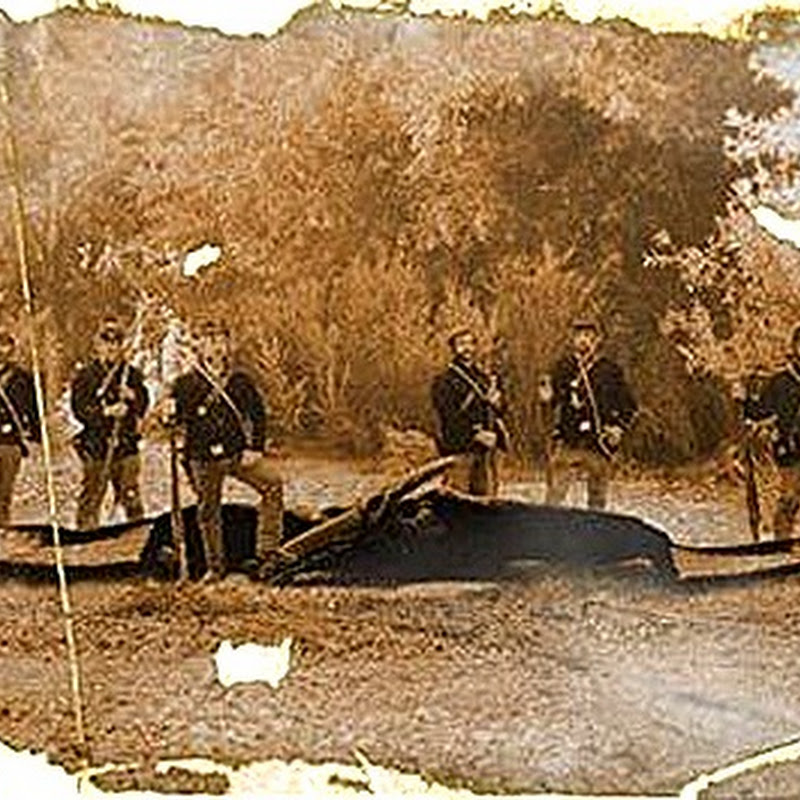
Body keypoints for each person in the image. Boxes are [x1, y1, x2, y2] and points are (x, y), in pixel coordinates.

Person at [170, 319, 283, 581]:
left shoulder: (239, 380)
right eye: (209, 340)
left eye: (220, 339)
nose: (216, 346)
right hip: (202, 458)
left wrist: (255, 448)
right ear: (199, 345)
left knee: (273, 484)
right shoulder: (185, 383)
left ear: (228, 344)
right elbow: (176, 420)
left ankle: (268, 552)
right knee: (209, 511)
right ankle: (215, 568)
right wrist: (168, 416)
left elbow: (257, 414)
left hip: (236, 454)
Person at [542, 316, 637, 510]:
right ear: (572, 339)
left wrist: (618, 428)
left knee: (597, 500)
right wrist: (546, 399)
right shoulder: (562, 367)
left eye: (588, 335)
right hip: (568, 440)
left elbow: (629, 405)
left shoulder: (610, 370)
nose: (583, 340)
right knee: (554, 497)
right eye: (579, 335)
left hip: (598, 443)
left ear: (597, 339)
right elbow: (552, 403)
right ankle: (550, 526)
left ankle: (595, 528)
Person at [71, 316, 149, 529]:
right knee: (91, 499)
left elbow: (143, 404)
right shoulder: (85, 376)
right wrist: (106, 412)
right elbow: (79, 410)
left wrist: (133, 397)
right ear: (98, 345)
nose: (111, 347)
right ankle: (86, 537)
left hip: (126, 444)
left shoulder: (131, 374)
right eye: (106, 342)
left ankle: (137, 534)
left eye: (116, 343)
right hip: (97, 446)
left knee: (131, 496)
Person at [431, 327, 507, 496]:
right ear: (453, 348)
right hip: (459, 449)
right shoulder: (444, 381)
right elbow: (448, 417)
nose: (467, 348)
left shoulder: (485, 378)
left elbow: (501, 411)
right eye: (461, 344)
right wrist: (475, 434)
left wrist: (498, 402)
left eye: (470, 343)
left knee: (487, 502)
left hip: (486, 451)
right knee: (458, 500)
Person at [743, 324, 800, 538]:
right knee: (789, 499)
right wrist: (746, 400)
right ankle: (781, 544)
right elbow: (759, 413)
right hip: (791, 450)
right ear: (795, 347)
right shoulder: (781, 381)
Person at [0, 326, 40, 525]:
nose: (2, 350)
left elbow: (32, 410)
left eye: (5, 345)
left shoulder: (22, 377)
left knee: (4, 494)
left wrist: (37, 436)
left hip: (10, 442)